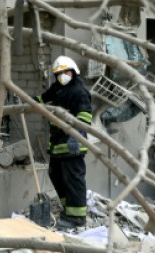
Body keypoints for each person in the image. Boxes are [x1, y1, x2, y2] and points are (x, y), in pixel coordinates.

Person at [37, 55, 92, 230]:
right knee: (56, 176)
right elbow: (42, 98)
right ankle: (68, 211)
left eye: (66, 72)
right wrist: (24, 101)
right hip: (58, 144)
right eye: (59, 73)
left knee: (73, 180)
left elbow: (84, 118)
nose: (63, 76)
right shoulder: (58, 88)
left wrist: (76, 136)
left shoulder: (79, 91)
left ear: (73, 72)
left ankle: (77, 218)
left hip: (72, 144)